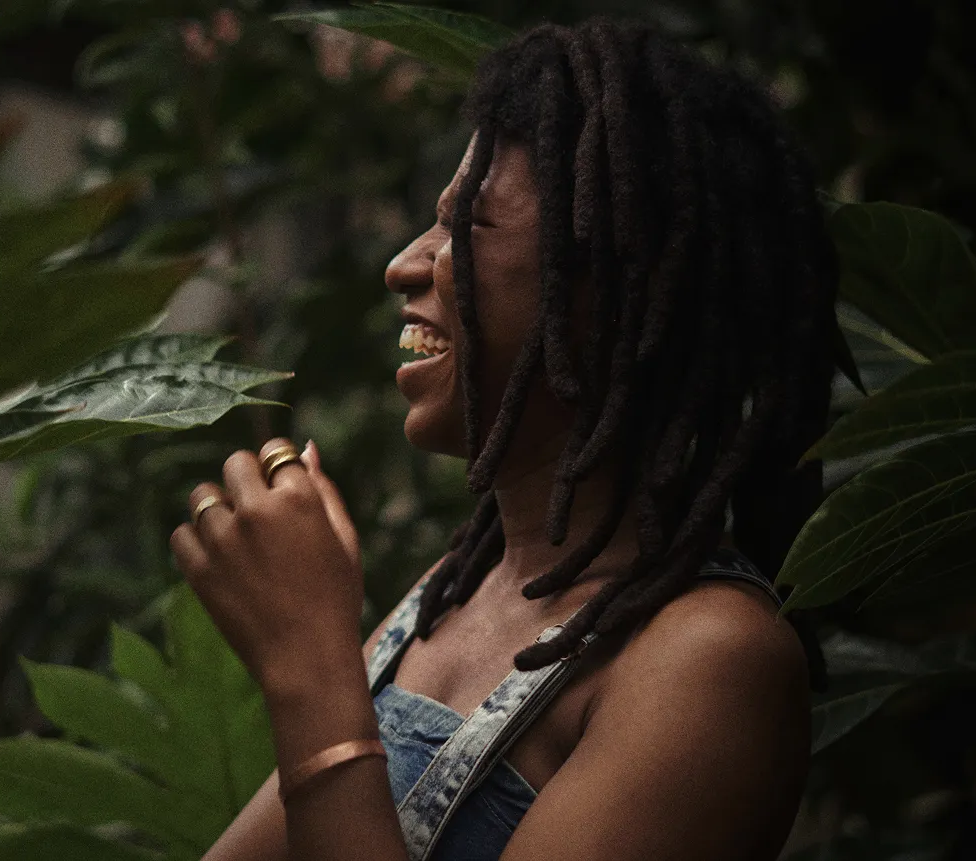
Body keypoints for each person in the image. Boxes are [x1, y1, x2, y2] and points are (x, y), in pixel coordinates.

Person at [169, 17, 837, 861]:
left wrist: (310, 666)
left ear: (610, 294)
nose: (406, 265)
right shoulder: (451, 595)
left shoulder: (710, 660)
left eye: (467, 226)